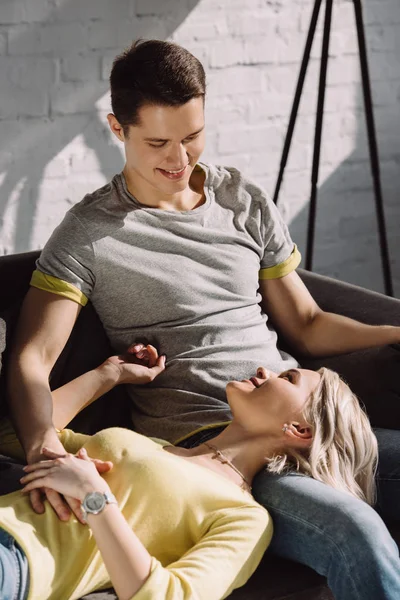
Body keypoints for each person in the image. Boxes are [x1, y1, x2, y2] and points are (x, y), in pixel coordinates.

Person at [5, 39, 400, 599]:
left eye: (192, 137)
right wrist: (44, 441)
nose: (180, 159)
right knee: (354, 534)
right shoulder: (90, 232)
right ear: (118, 129)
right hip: (214, 454)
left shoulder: (241, 199)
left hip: (297, 418)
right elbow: (32, 357)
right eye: (158, 142)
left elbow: (308, 323)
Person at [0, 345, 381, 600]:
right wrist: (108, 375)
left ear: (300, 430)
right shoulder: (151, 445)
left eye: (288, 378)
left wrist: (95, 498)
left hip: (18, 561)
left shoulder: (245, 517)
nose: (266, 369)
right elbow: (19, 432)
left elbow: (167, 595)